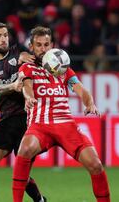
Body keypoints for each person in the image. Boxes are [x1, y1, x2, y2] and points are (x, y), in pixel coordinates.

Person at [12, 26, 110, 202]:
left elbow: (80, 89)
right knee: (24, 149)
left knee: (96, 165)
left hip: (66, 126)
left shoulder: (63, 69)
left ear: (52, 46)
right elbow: (27, 87)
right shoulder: (27, 68)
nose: (43, 48)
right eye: (39, 45)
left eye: (46, 44)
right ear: (31, 47)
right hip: (39, 126)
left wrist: (89, 103)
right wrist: (28, 98)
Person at [0, 22, 46, 202]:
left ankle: (40, 200)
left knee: (21, 173)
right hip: (6, 120)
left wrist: (31, 56)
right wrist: (13, 86)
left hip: (28, 119)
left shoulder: (18, 52)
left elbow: (38, 59)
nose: (3, 38)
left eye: (5, 35)